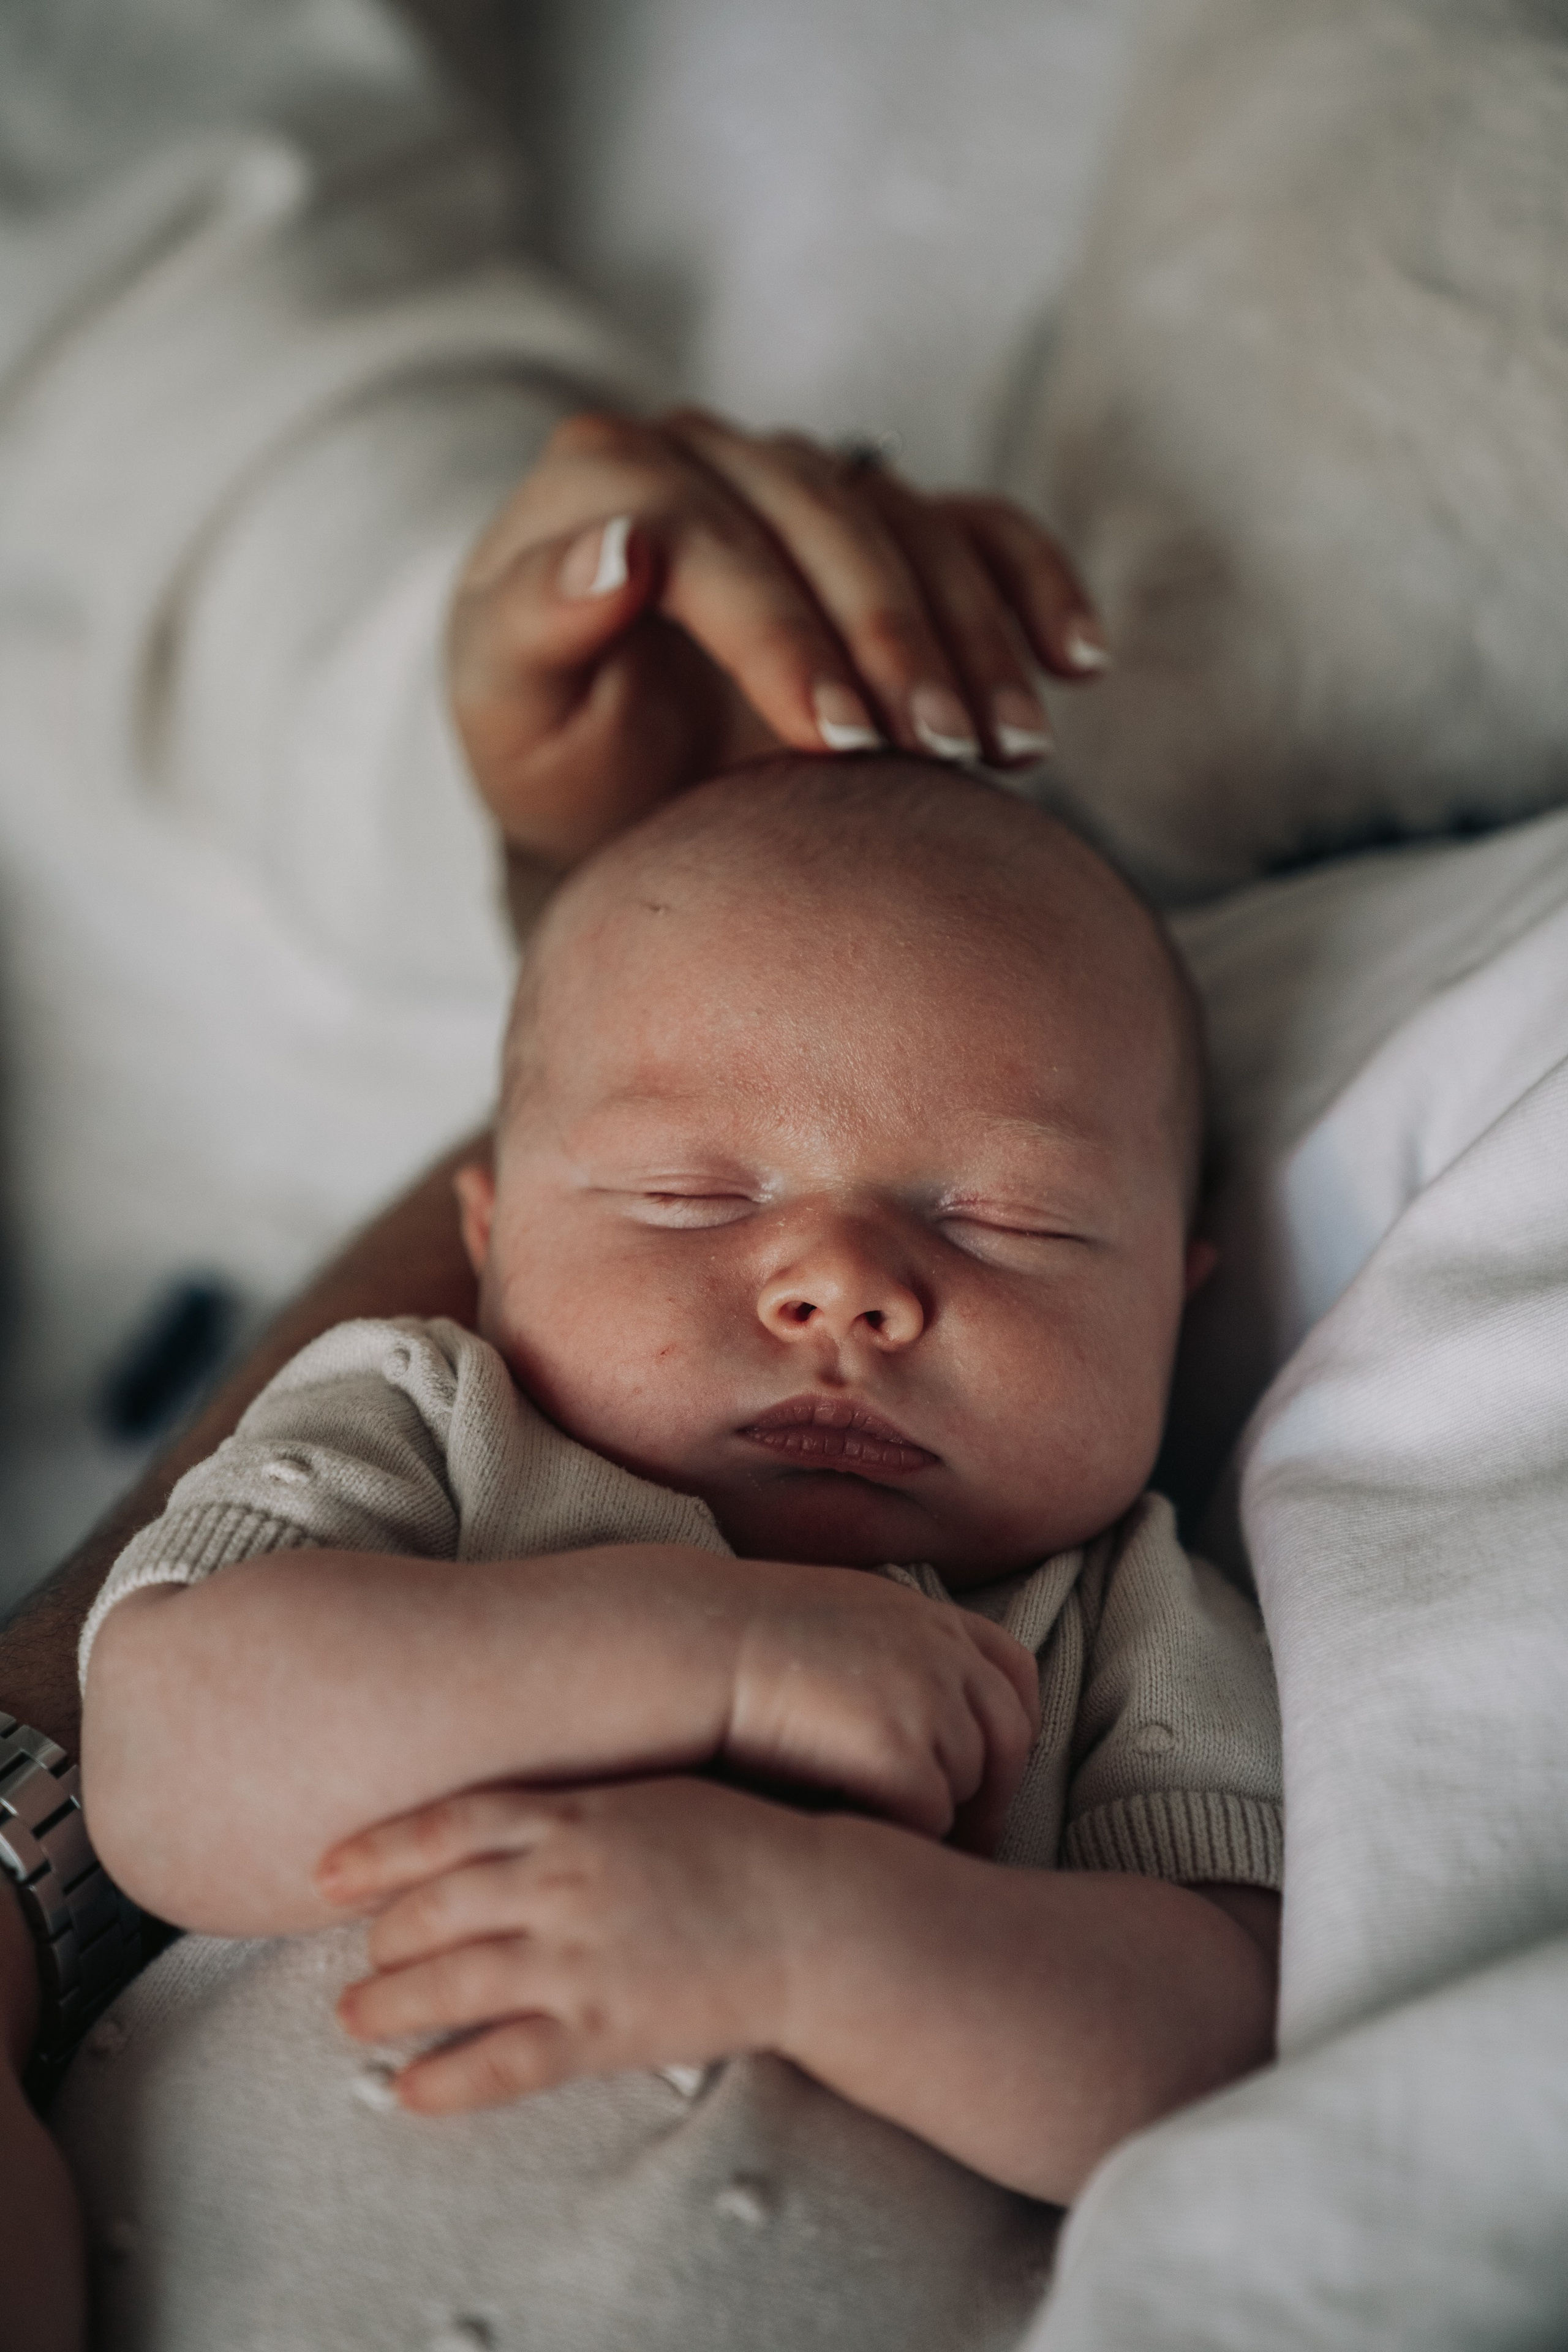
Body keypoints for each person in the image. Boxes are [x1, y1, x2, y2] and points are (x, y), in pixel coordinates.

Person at [59, 657, 1280, 2351]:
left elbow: (1221, 2056)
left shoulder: (1126, 1612)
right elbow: (168, 1763)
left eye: (1012, 1222)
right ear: (492, 1241)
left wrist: (812, 1939)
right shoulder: (433, 1421)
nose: (842, 1288)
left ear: (1175, 1303)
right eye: (692, 1194)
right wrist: (707, 1655)